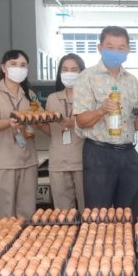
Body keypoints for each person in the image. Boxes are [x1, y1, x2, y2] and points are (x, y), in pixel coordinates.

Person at [74, 26, 138, 218]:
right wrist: (101, 110)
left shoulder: (131, 81)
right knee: (98, 217)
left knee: (129, 215)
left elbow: (134, 121)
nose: (115, 51)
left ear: (128, 50)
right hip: (99, 154)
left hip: (128, 154)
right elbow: (81, 120)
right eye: (110, 47)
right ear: (100, 48)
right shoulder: (86, 77)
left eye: (121, 47)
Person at [0, 49, 41, 219]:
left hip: (27, 160)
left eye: (23, 65)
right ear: (4, 68)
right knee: (5, 215)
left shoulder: (29, 94)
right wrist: (9, 122)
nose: (18, 68)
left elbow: (40, 118)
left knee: (27, 213)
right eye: (13, 64)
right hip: (2, 162)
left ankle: (25, 237)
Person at [43, 53, 86, 210]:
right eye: (65, 69)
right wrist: (38, 125)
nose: (69, 73)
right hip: (58, 161)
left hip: (83, 160)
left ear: (82, 72)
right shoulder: (52, 98)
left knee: (88, 210)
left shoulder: (88, 98)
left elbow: (95, 126)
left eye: (74, 70)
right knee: (63, 212)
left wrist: (73, 123)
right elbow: (51, 130)